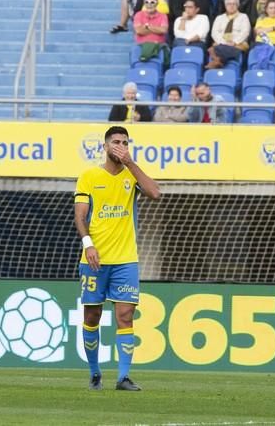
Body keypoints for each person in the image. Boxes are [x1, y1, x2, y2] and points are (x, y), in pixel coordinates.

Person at [74, 125, 161, 391]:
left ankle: (123, 377)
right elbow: (80, 215)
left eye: (124, 142)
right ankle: (94, 372)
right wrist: (88, 244)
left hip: (126, 259)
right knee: (92, 316)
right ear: (105, 146)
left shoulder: (131, 176)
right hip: (94, 259)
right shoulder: (89, 176)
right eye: (115, 142)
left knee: (126, 315)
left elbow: (156, 193)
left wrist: (131, 163)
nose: (120, 146)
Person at [207, 0, 251, 68]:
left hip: (238, 44)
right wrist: (224, 42)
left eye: (234, 4)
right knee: (223, 47)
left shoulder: (243, 17)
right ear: (225, 6)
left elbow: (245, 32)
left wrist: (234, 42)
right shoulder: (219, 18)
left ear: (237, 5)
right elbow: (214, 33)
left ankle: (218, 60)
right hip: (221, 42)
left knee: (216, 48)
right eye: (229, 4)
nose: (231, 6)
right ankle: (219, 60)